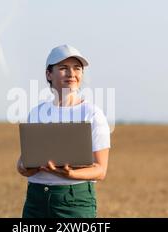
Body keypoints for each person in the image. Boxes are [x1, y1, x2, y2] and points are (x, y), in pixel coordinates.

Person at [16, 45, 111, 218]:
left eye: (77, 68)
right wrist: (27, 168)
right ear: (48, 74)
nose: (71, 74)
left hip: (74, 201)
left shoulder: (92, 114)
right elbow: (22, 164)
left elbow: (100, 170)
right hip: (36, 200)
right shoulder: (36, 113)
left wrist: (70, 174)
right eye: (63, 68)